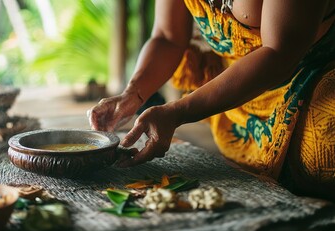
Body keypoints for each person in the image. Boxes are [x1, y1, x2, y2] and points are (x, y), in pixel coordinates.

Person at [88, 0, 335, 200]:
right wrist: (132, 93)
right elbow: (167, 36)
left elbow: (280, 52)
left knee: (324, 149)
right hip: (234, 94)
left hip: (311, 76)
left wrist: (178, 111)